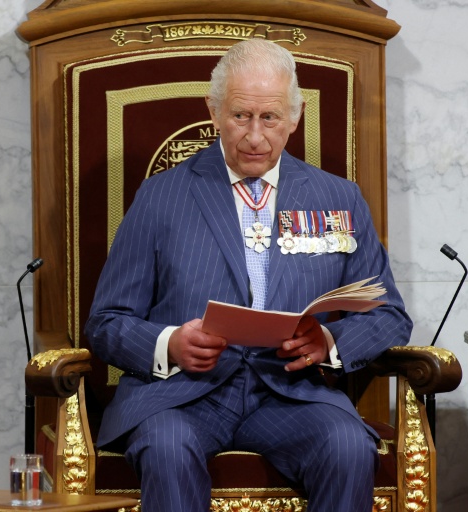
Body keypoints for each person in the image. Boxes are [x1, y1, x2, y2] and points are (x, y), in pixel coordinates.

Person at [84, 39, 412, 512]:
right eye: (241, 116)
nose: (255, 137)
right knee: (167, 448)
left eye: (270, 118)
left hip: (290, 395)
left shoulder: (338, 198)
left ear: (295, 117)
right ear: (214, 112)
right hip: (181, 396)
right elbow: (106, 321)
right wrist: (169, 344)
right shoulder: (160, 196)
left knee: (346, 446)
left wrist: (328, 342)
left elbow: (389, 315)